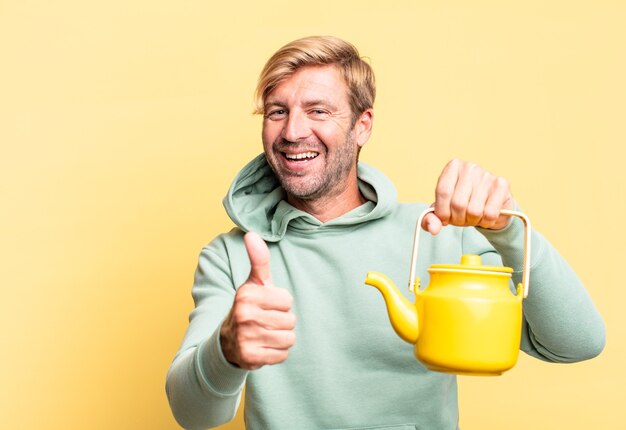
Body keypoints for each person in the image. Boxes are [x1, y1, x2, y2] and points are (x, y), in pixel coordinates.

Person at [166, 36, 605, 430]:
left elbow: (577, 344)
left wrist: (509, 230)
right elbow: (194, 415)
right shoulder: (232, 255)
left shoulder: (439, 235)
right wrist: (226, 351)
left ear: (363, 126)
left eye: (318, 111)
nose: (293, 132)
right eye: (278, 112)